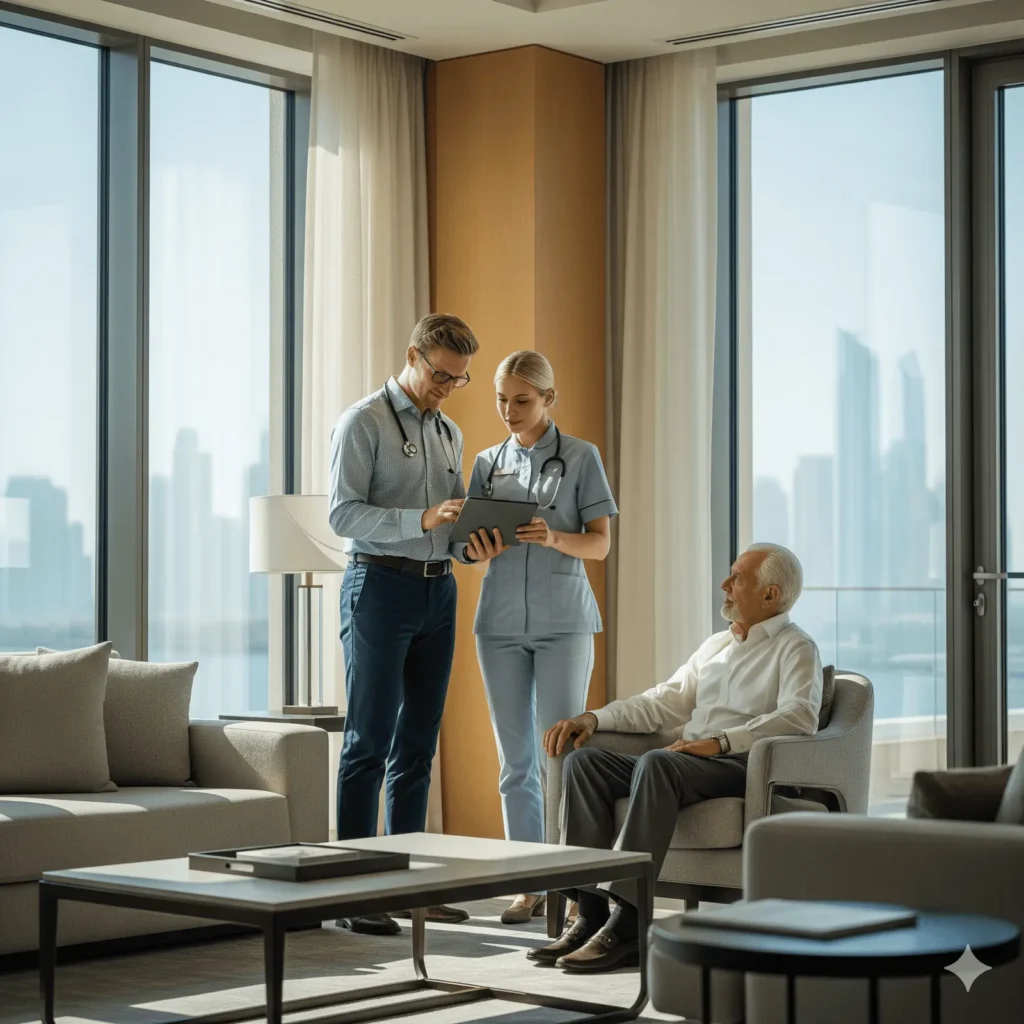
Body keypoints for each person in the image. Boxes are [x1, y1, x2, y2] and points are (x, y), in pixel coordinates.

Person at [530, 543, 822, 972]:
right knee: (585, 763)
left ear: (770, 594)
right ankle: (589, 915)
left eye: (737, 577)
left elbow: (800, 716)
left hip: (740, 767)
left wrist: (720, 742)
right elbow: (661, 702)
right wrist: (594, 717)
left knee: (657, 762)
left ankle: (628, 927)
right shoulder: (716, 645)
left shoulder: (796, 647)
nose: (725, 584)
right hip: (686, 763)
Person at [328, 313, 479, 936]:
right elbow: (342, 514)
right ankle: (354, 892)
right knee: (368, 740)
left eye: (458, 380)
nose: (447, 389)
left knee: (417, 743)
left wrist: (474, 543)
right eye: (441, 375)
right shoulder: (362, 422)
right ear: (413, 355)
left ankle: (407, 886)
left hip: (438, 592)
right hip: (378, 588)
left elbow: (453, 522)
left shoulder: (450, 433)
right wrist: (418, 520)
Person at [460, 351, 617, 925]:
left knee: (562, 758)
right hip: (499, 625)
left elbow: (600, 543)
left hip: (563, 624)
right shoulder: (487, 462)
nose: (509, 410)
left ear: (549, 398)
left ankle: (572, 887)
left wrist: (553, 537)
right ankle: (527, 882)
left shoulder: (581, 456)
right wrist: (475, 548)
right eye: (501, 399)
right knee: (515, 763)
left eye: (521, 400)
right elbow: (465, 547)